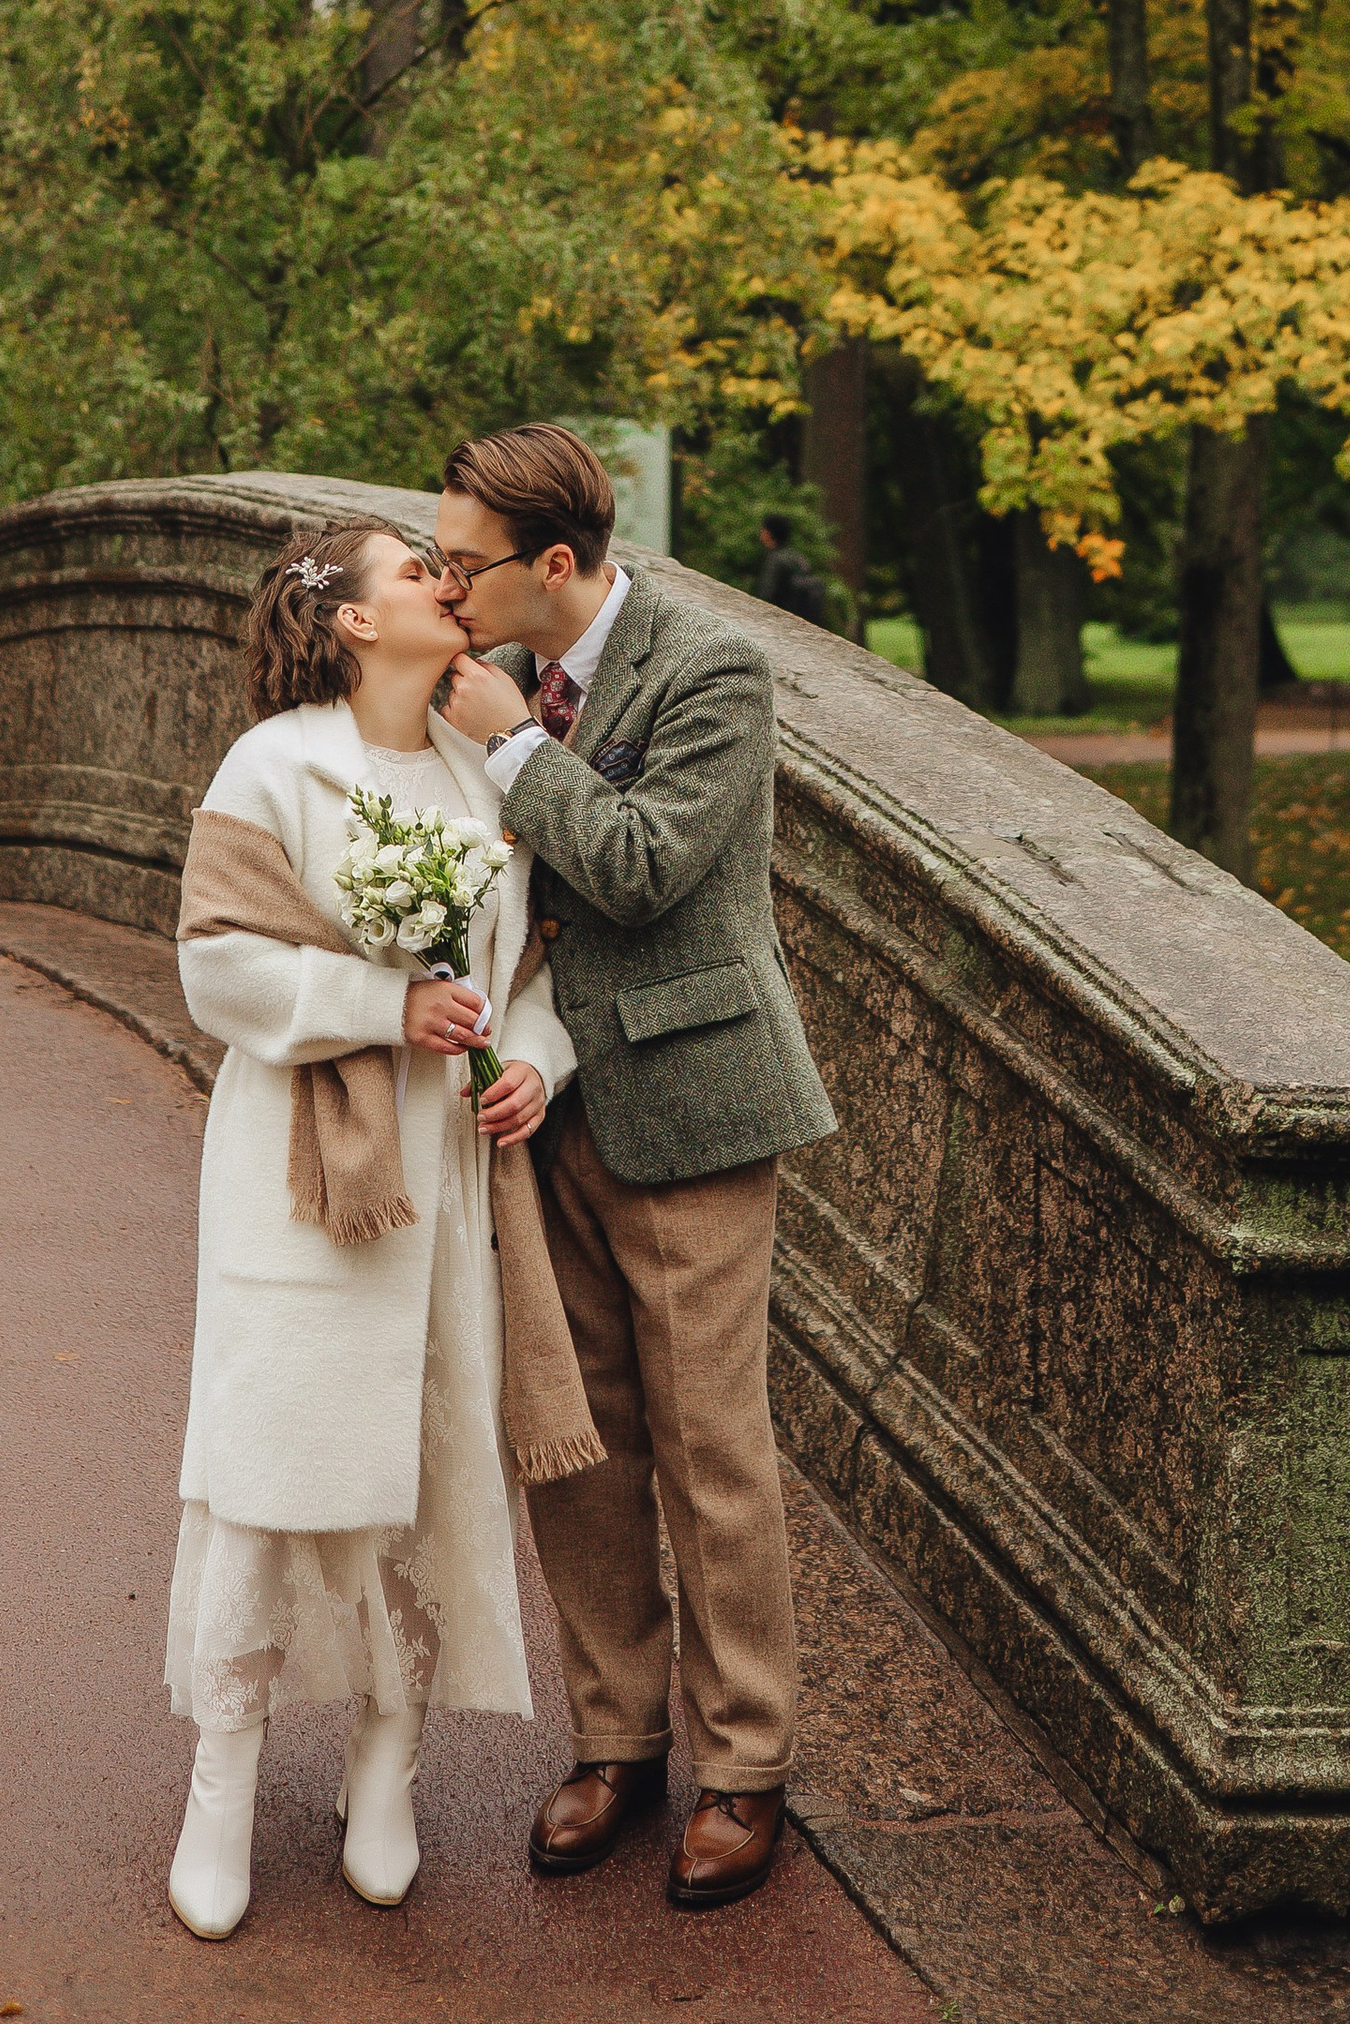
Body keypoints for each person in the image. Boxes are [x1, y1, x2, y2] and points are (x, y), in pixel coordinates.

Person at [162, 517, 588, 1937]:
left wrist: (533, 1056)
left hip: (449, 1170)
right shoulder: (274, 762)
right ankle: (223, 1769)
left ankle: (388, 1757)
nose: (446, 586)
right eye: (416, 572)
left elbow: (527, 962)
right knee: (275, 1455)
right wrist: (377, 1005)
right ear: (349, 619)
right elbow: (215, 962)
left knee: (424, 1452)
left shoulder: (482, 767)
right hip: (298, 1169)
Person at [435, 423, 837, 1913]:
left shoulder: (712, 668)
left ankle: (747, 1769)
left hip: (691, 1100)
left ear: (555, 565)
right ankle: (617, 1740)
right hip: (534, 1107)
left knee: (711, 1449)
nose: (441, 585)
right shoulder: (470, 673)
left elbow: (650, 864)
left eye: (463, 565)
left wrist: (514, 744)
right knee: (578, 1438)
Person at [755, 516, 830, 629]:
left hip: (782, 624)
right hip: (803, 622)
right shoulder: (798, 558)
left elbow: (768, 596)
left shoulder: (775, 560)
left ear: (768, 533)